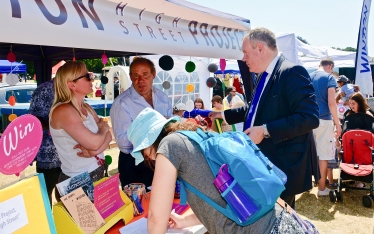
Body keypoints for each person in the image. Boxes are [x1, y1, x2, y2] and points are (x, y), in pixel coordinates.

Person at [127, 108, 316, 234]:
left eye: (144, 153)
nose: (149, 159)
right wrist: (185, 222)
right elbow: (225, 200)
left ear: (151, 143)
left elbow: (156, 217)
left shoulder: (169, 145)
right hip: (281, 221)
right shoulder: (195, 137)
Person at [209, 28, 320, 208]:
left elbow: (309, 117)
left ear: (260, 48)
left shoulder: (291, 72)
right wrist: (221, 115)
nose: (243, 59)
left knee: (281, 220)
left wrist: (265, 130)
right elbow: (254, 109)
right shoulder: (264, 75)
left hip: (282, 165)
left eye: (245, 53)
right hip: (266, 164)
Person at [49, 61, 111, 200]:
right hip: (77, 182)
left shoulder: (86, 108)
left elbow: (108, 135)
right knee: (88, 222)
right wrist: (101, 132)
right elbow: (97, 140)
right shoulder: (63, 110)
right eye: (87, 76)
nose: (92, 78)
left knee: (107, 221)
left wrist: (95, 150)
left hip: (98, 172)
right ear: (72, 85)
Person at [110, 57, 172, 188]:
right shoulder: (122, 103)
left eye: (145, 75)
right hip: (135, 163)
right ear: (131, 77)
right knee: (138, 205)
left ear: (153, 74)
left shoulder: (162, 97)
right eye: (136, 76)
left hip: (162, 157)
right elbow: (123, 142)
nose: (141, 81)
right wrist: (154, 132)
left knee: (164, 200)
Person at [310, 57, 342, 196]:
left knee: (310, 153)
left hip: (308, 120)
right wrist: (338, 123)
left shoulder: (308, 76)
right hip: (324, 120)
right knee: (323, 155)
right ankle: (322, 188)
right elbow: (331, 102)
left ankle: (308, 184)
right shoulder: (329, 78)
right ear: (330, 66)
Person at [29, 79, 61, 206]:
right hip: (49, 155)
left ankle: (66, 225)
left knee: (70, 197)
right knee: (45, 197)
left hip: (70, 155)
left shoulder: (73, 89)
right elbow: (34, 120)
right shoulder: (45, 90)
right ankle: (48, 225)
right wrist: (60, 125)